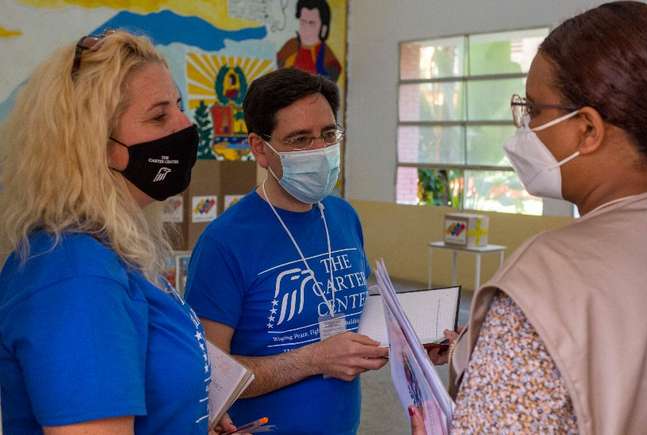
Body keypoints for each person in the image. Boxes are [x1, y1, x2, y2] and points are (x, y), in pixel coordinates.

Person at [413, 2, 647, 434]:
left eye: (533, 110)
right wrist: (485, 346)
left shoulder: (548, 278)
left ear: (587, 128)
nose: (524, 128)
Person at [0, 31, 241, 435]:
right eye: (159, 115)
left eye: (179, 107)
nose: (184, 126)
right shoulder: (77, 278)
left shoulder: (110, 250)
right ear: (94, 144)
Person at [185, 68, 388, 434]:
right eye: (300, 140)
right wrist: (313, 360)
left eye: (328, 135)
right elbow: (207, 374)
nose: (320, 151)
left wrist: (414, 343)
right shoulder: (225, 243)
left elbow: (354, 315)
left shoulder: (343, 216)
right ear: (260, 149)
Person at [276, 0, 342, 82]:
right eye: (303, 22)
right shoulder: (290, 47)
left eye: (311, 23)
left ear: (323, 28)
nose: (306, 29)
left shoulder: (327, 57)